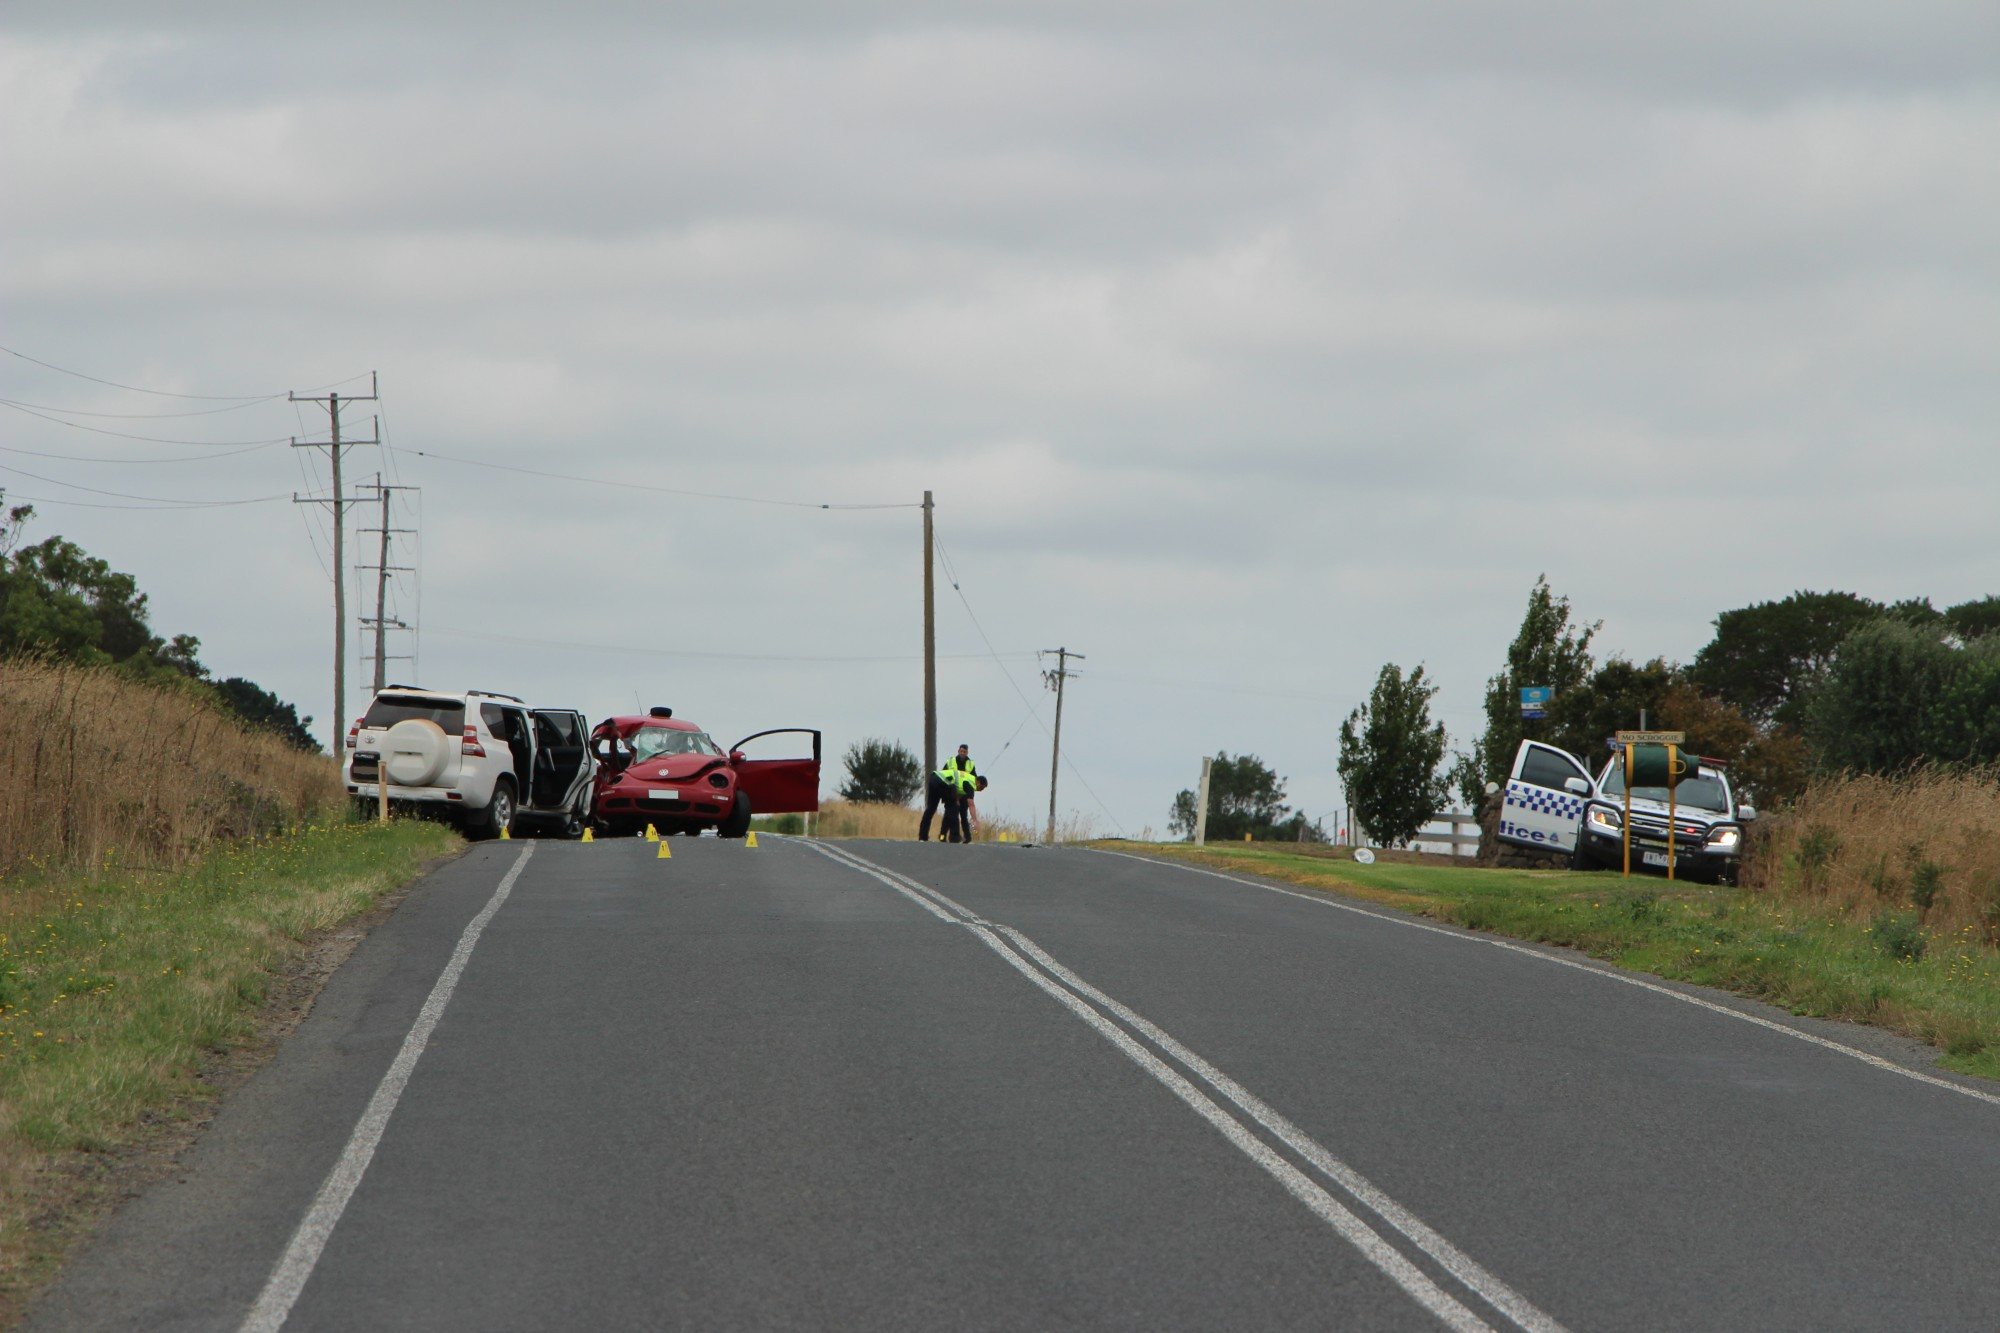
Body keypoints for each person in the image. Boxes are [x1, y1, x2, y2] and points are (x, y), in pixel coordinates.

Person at [918, 761, 961, 841]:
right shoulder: (964, 776)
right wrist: (956, 799)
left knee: (931, 809)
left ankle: (923, 836)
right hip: (944, 784)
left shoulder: (949, 765)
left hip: (934, 779)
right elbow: (956, 786)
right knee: (952, 809)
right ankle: (953, 836)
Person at [954, 775, 989, 842]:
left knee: (964, 816)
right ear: (978, 782)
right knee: (954, 814)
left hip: (960, 794)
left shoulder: (971, 782)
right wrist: (975, 821)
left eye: (983, 789)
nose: (981, 790)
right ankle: (956, 836)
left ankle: (967, 837)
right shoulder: (971, 785)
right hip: (955, 792)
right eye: (982, 787)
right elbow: (971, 804)